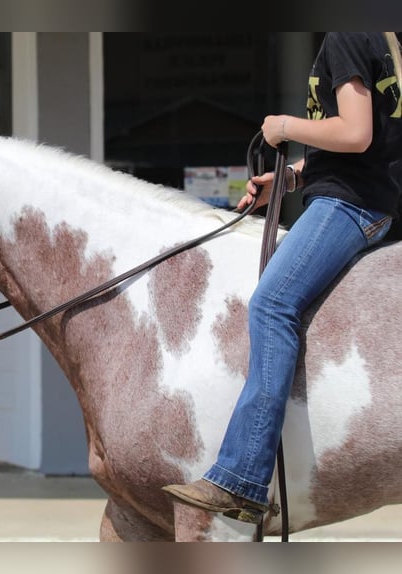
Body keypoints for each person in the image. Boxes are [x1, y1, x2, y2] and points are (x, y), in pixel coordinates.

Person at [163, 32, 402, 524]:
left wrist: (284, 125)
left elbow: (355, 134)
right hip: (362, 194)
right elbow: (367, 142)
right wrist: (293, 176)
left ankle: (242, 477)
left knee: (272, 304)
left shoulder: (346, 35)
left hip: (348, 202)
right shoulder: (384, 39)